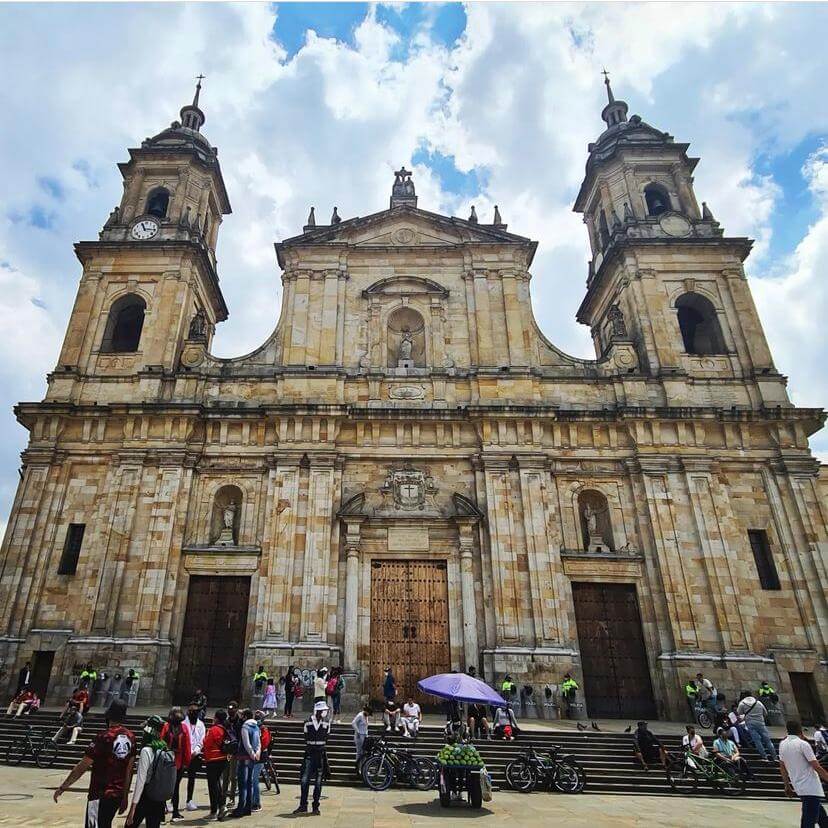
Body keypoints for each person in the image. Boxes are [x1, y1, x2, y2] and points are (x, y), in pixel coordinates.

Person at [53, 700, 136, 828]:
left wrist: (63, 786)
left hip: (100, 794)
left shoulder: (103, 737)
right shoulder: (131, 737)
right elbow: (129, 771)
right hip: (117, 795)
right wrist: (124, 797)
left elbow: (82, 766)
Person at [779, 718, 828, 828]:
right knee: (808, 820)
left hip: (798, 785)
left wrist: (787, 786)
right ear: (800, 730)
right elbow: (816, 766)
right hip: (811, 786)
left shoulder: (783, 744)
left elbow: (782, 767)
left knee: (822, 819)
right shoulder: (803, 744)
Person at [125, 715, 170, 828]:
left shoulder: (146, 751)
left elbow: (140, 782)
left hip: (146, 796)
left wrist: (132, 809)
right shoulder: (164, 748)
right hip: (159, 798)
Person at [293, 702, 331, 816]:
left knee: (318, 782)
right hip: (310, 753)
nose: (323, 712)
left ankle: (316, 806)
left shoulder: (326, 723)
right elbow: (306, 736)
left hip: (320, 753)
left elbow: (327, 737)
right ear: (317, 711)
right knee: (305, 780)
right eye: (322, 710)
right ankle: (303, 805)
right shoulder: (307, 722)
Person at [160, 706, 192, 822]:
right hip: (177, 762)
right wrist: (186, 762)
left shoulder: (166, 727)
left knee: (164, 787)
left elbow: (161, 742)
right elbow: (187, 746)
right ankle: (175, 812)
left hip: (167, 761)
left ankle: (164, 813)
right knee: (175, 788)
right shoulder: (183, 728)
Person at [230, 707, 260, 818]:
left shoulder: (245, 727)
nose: (240, 717)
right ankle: (248, 807)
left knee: (243, 784)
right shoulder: (256, 726)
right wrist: (257, 753)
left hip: (244, 757)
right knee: (250, 783)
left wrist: (252, 753)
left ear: (245, 717)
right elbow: (258, 742)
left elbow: (246, 743)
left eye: (242, 715)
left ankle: (241, 807)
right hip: (253, 757)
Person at [202, 708, 230, 820]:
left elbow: (206, 743)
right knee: (217, 783)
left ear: (216, 718)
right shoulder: (225, 729)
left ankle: (215, 810)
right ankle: (221, 806)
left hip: (213, 759)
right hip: (223, 759)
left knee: (212, 786)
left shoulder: (213, 729)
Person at [737, 691, 777, 761]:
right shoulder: (758, 702)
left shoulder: (742, 703)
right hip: (761, 723)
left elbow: (739, 713)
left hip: (750, 723)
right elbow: (765, 713)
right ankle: (775, 757)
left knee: (757, 741)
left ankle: (764, 757)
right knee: (768, 741)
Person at [183, 704, 205, 812]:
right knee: (177, 779)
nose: (193, 714)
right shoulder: (183, 723)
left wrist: (195, 751)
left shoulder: (201, 725)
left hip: (194, 755)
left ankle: (189, 800)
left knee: (192, 778)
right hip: (183, 754)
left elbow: (202, 740)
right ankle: (173, 801)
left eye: (195, 713)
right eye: (191, 712)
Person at [222, 701, 242, 807]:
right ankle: (223, 797)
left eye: (233, 709)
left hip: (236, 752)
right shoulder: (226, 722)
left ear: (236, 709)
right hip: (226, 752)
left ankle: (232, 798)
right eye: (229, 709)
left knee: (233, 777)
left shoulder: (240, 722)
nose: (230, 711)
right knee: (225, 776)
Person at [252, 711, 271, 812]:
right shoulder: (253, 728)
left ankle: (256, 803)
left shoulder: (264, 729)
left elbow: (264, 743)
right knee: (251, 780)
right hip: (252, 756)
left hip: (260, 757)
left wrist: (255, 750)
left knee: (254, 779)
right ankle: (250, 801)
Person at [351, 705, 371, 770]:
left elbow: (366, 727)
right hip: (359, 736)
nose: (368, 715)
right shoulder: (360, 715)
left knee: (364, 753)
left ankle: (364, 768)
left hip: (365, 736)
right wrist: (358, 731)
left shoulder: (366, 716)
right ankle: (358, 768)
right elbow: (353, 723)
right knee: (359, 752)